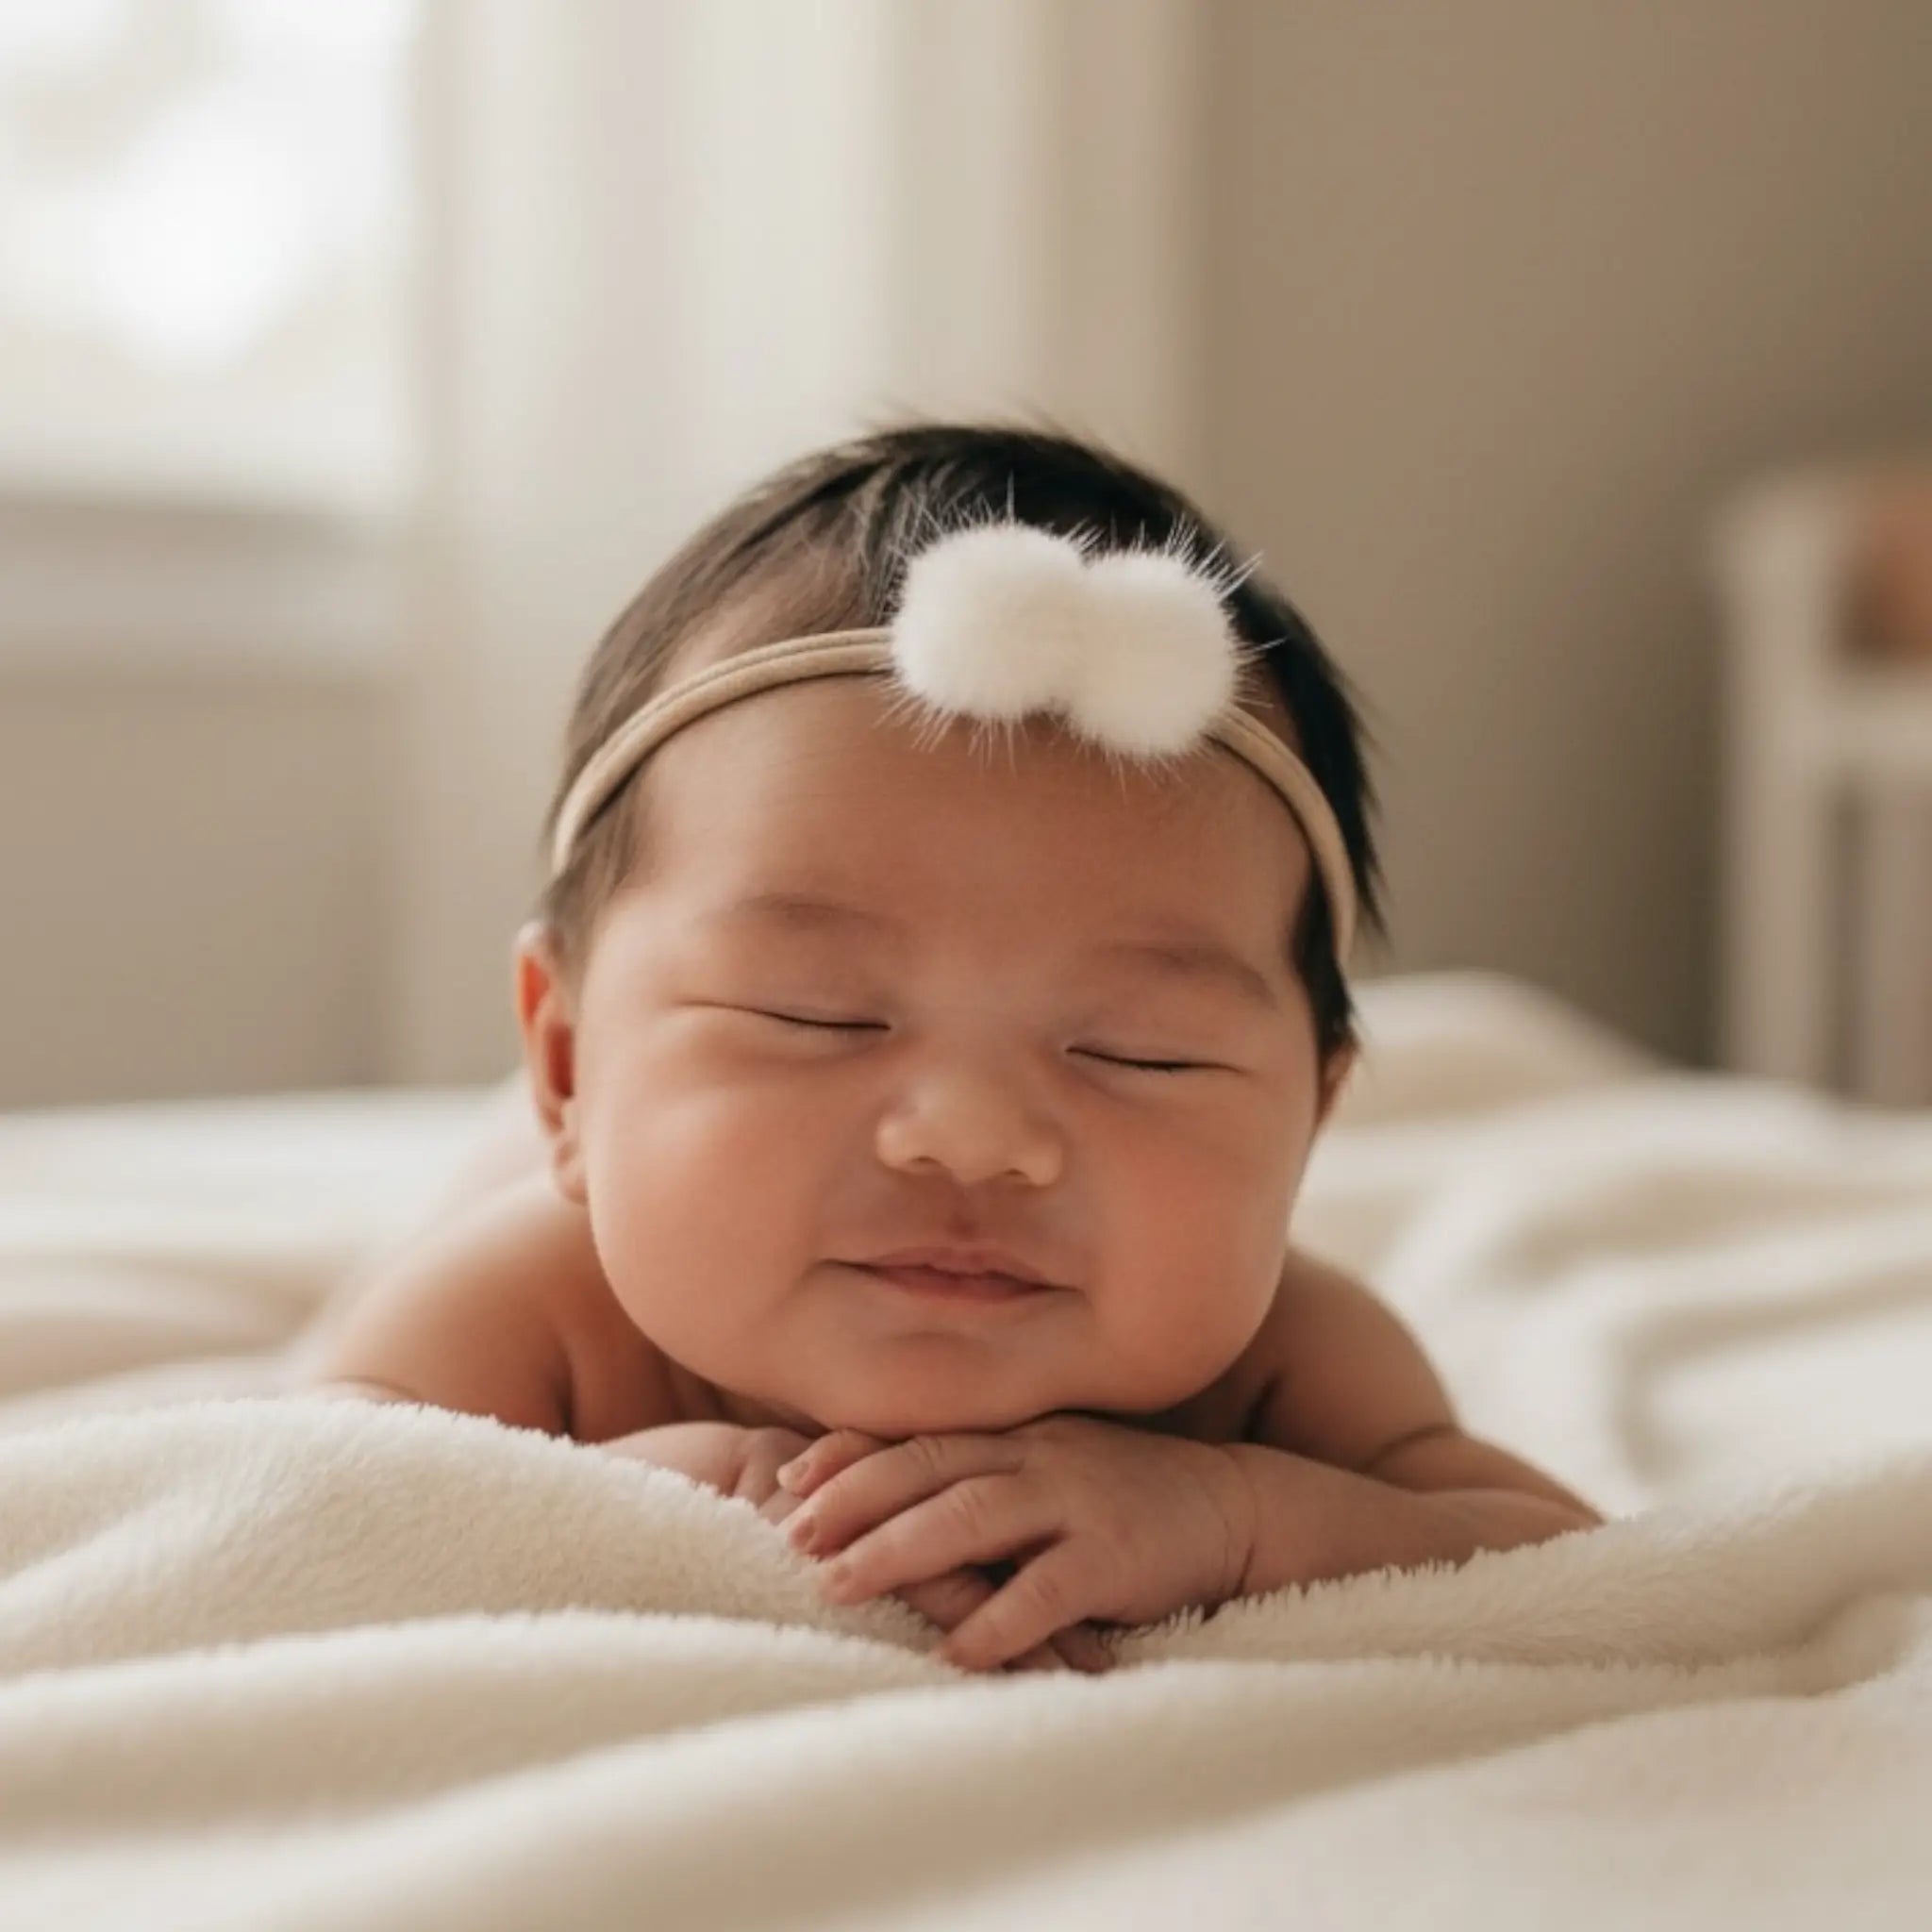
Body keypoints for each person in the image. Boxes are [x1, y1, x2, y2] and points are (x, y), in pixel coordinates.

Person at [307, 422, 1601, 1675]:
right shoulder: (537, 1307)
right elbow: (308, 1500)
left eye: (1140, 1054)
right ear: (572, 1071)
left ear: (1305, 1129)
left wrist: (1236, 1517)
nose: (972, 1135)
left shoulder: (1284, 1362)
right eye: (816, 1014)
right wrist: (650, 1503)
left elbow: (1568, 1567)